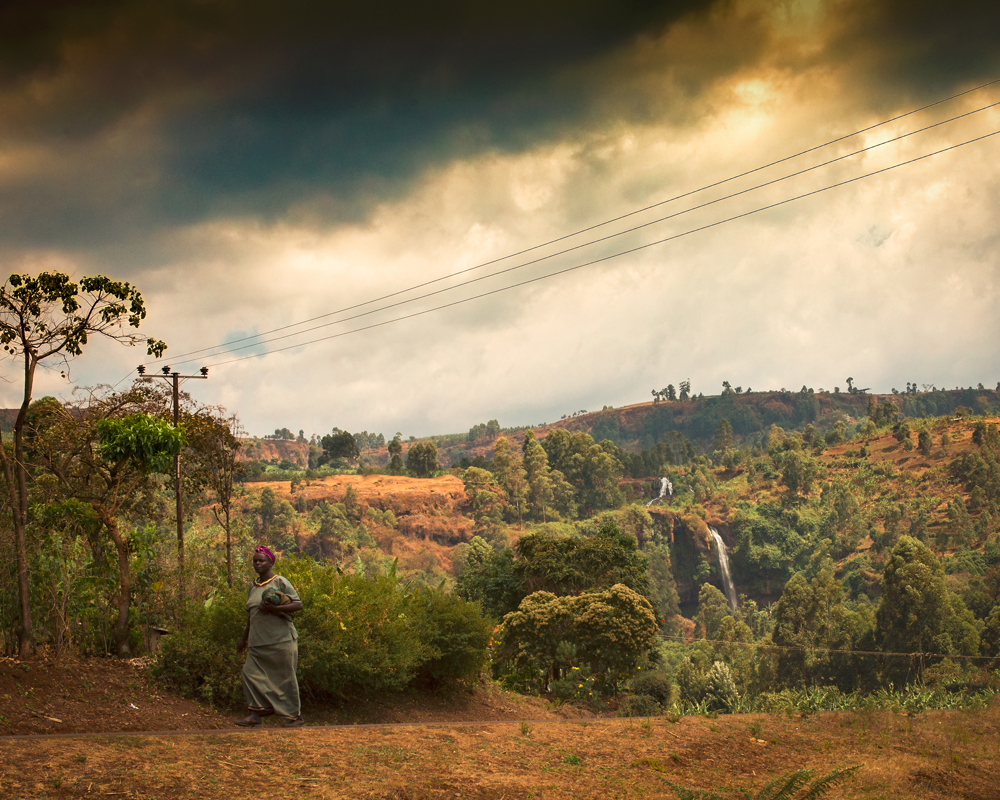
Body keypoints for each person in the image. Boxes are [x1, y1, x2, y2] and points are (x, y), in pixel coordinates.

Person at [235, 545, 304, 727]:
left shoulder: (279, 581)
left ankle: (294, 717)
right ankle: (256, 713)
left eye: (261, 560)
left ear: (270, 562)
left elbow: (298, 604)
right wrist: (244, 639)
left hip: (281, 640)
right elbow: (251, 616)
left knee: (285, 678)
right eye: (255, 561)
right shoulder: (252, 587)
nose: (258, 563)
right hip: (258, 642)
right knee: (249, 673)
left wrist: (274, 608)